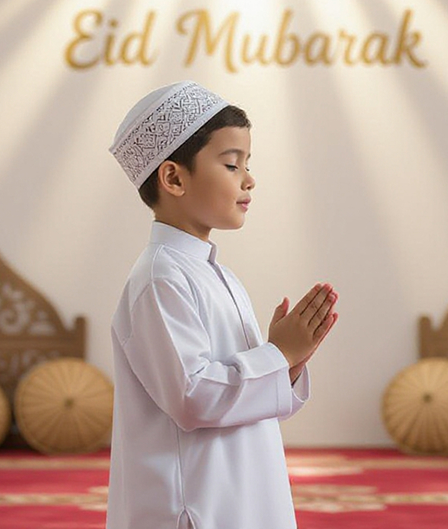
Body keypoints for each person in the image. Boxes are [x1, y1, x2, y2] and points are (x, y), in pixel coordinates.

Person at [105, 81, 339, 529]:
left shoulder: (215, 274)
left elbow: (239, 394)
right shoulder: (160, 278)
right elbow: (192, 398)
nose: (249, 179)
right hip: (192, 506)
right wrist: (279, 353)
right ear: (173, 177)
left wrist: (288, 365)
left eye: (247, 164)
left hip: (240, 493)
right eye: (232, 164)